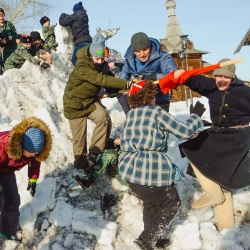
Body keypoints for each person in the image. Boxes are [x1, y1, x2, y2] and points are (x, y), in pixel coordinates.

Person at [118, 79, 205, 249]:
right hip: (150, 170)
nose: (156, 98)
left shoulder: (130, 114)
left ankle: (152, 238)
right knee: (172, 204)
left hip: (130, 171)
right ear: (150, 96)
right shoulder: (157, 112)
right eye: (153, 95)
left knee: (151, 203)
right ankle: (147, 239)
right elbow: (184, 131)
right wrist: (195, 116)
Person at [179, 58, 250, 231]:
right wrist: (182, 75)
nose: (221, 80)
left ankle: (213, 193)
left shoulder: (244, 92)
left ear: (232, 77)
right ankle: (225, 224)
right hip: (220, 133)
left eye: (225, 77)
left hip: (238, 136)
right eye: (217, 76)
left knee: (193, 148)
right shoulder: (212, 87)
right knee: (196, 152)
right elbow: (194, 79)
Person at [63, 33, 130, 180]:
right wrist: (126, 84)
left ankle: (94, 153)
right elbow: (100, 79)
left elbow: (109, 79)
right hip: (74, 104)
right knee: (79, 140)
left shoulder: (102, 64)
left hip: (90, 101)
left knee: (104, 119)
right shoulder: (82, 65)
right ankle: (80, 166)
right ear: (90, 55)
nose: (99, 62)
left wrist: (116, 91)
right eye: (96, 58)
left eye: (102, 58)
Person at [0, 117, 52, 241]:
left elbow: (35, 162)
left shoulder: (34, 152)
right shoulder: (3, 145)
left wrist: (33, 179)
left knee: (12, 199)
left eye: (36, 153)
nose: (33, 156)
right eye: (30, 153)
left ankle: (6, 230)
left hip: (6, 171)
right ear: (21, 146)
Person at [118, 32, 178, 114]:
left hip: (159, 101)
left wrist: (156, 76)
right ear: (133, 51)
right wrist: (117, 86)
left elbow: (173, 74)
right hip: (138, 101)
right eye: (138, 51)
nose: (142, 54)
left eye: (145, 50)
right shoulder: (130, 59)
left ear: (150, 47)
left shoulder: (163, 57)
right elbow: (123, 75)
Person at [59, 1, 92, 66]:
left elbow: (63, 22)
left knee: (74, 60)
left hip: (80, 42)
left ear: (75, 10)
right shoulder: (85, 16)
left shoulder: (74, 16)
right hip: (88, 41)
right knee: (87, 59)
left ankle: (83, 74)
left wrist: (62, 15)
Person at [0, 7, 18, 73]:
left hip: (14, 47)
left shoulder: (9, 24)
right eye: (0, 16)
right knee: (6, 66)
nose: (1, 17)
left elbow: (16, 34)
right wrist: (1, 42)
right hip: (4, 49)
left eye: (2, 16)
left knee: (16, 64)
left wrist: (12, 37)